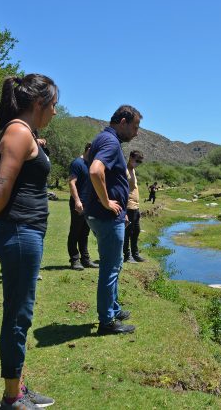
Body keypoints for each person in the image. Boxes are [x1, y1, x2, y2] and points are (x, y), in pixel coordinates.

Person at [0, 74, 58, 410]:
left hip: (25, 231)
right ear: (39, 104)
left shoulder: (26, 132)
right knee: (18, 315)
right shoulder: (18, 131)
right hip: (20, 231)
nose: (53, 112)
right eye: (52, 106)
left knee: (20, 311)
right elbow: (1, 185)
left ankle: (17, 385)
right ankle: (12, 397)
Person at [83, 105, 142, 335]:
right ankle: (107, 322)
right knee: (110, 268)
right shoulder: (110, 142)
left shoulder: (103, 138)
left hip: (106, 215)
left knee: (115, 264)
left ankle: (114, 309)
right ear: (124, 121)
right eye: (135, 127)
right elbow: (96, 171)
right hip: (105, 216)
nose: (136, 132)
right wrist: (108, 203)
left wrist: (119, 210)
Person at [67, 143, 97, 269]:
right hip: (79, 203)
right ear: (88, 149)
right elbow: (72, 183)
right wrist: (77, 201)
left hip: (89, 205)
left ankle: (85, 259)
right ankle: (74, 260)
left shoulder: (91, 164)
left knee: (85, 233)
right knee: (75, 231)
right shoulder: (77, 163)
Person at [123, 150, 145, 263]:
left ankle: (135, 254)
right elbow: (122, 191)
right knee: (127, 233)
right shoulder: (125, 170)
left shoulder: (133, 170)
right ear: (130, 157)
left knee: (136, 231)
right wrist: (124, 211)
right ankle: (127, 256)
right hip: (128, 207)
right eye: (137, 161)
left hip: (136, 207)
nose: (137, 163)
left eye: (140, 162)